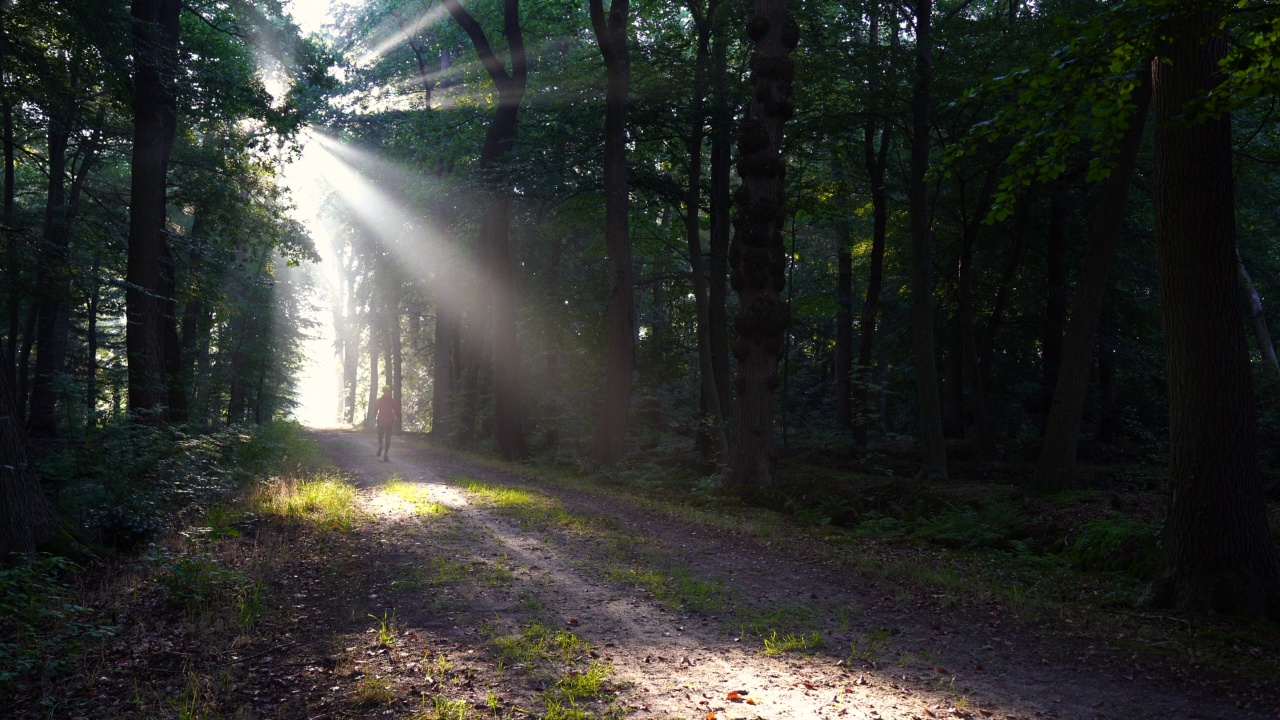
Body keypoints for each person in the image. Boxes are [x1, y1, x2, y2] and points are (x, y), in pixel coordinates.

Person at [373, 386, 401, 461]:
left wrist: (374, 418)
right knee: (387, 437)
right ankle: (386, 453)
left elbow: (375, 410)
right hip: (389, 421)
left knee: (380, 435)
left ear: (383, 391)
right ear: (389, 391)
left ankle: (380, 445)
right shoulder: (392, 401)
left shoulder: (378, 401)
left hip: (380, 420)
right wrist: (398, 417)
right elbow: (397, 410)